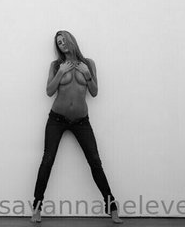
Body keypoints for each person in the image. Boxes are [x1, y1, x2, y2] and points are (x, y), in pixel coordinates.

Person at [31, 30, 123, 224]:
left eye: (64, 40)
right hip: (57, 119)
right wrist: (61, 72)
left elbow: (94, 92)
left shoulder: (88, 63)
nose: (62, 44)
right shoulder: (56, 65)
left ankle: (112, 207)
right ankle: (37, 207)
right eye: (59, 42)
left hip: (81, 121)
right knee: (47, 160)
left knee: (95, 161)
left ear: (71, 40)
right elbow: (49, 91)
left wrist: (88, 75)